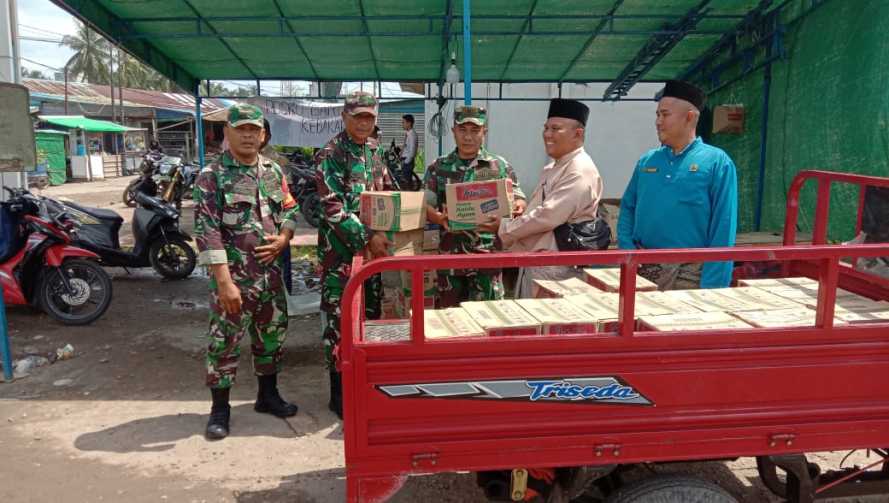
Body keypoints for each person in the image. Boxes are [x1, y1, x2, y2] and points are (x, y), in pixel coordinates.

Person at [194, 104, 300, 440]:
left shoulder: (272, 171)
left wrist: (284, 237)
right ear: (227, 133)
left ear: (264, 134)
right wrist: (224, 282)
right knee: (224, 344)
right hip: (234, 281)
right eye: (241, 129)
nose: (249, 135)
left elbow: (289, 209)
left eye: (254, 129)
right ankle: (220, 409)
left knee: (272, 339)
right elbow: (207, 231)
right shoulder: (211, 176)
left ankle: (267, 396)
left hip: (269, 279)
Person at [315, 91, 395, 419]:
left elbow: (388, 193)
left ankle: (364, 386)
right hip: (341, 258)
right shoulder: (330, 154)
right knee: (340, 323)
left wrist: (392, 229)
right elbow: (332, 207)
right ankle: (339, 396)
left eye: (369, 118)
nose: (364, 123)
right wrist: (367, 237)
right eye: (357, 117)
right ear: (344, 117)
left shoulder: (374, 150)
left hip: (372, 257)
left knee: (369, 318)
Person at [616, 80, 738, 290]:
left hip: (689, 277)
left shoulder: (717, 162)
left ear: (690, 117)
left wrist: (713, 288)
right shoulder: (647, 161)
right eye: (657, 115)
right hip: (643, 271)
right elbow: (627, 208)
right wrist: (629, 254)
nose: (658, 121)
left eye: (665, 115)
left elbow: (723, 227)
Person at [479, 99, 603, 298]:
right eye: (546, 128)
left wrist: (505, 228)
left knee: (549, 325)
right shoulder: (557, 167)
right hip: (538, 264)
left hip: (556, 271)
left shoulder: (579, 170)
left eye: (555, 129)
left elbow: (547, 216)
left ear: (577, 133)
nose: (547, 135)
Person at [424, 106, 526, 307]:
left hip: (486, 256)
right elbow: (425, 204)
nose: (468, 137)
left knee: (488, 317)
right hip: (451, 258)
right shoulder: (439, 167)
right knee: (450, 321)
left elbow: (519, 198)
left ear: (484, 133)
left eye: (474, 130)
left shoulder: (499, 166)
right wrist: (437, 217)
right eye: (462, 130)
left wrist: (516, 208)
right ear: (454, 131)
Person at [400, 114, 419, 181]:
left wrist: (405, 162)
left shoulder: (412, 135)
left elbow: (412, 151)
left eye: (403, 122)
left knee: (406, 182)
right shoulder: (408, 133)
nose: (402, 124)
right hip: (405, 160)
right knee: (404, 181)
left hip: (407, 161)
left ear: (409, 123)